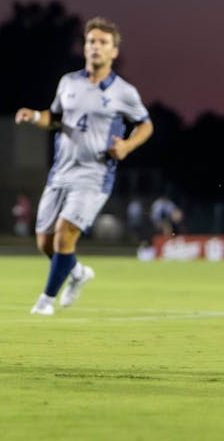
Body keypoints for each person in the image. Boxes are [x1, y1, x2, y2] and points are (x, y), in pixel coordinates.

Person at [16, 16, 153, 315]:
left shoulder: (124, 92)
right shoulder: (68, 82)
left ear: (114, 51)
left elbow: (145, 125)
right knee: (45, 243)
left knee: (66, 232)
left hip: (95, 173)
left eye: (103, 43)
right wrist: (33, 116)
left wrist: (127, 145)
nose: (96, 47)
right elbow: (53, 118)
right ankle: (77, 273)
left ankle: (45, 302)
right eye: (92, 41)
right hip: (60, 172)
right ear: (85, 46)